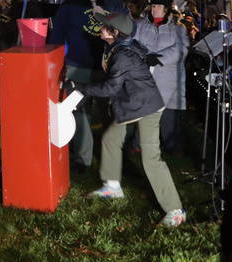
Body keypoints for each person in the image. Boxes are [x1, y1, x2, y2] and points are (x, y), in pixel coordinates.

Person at [70, 12, 186, 227]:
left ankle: (175, 210)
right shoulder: (117, 48)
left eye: (104, 26)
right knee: (110, 139)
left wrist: (81, 87)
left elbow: (110, 87)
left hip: (147, 107)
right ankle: (113, 187)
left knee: (151, 158)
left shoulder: (123, 55)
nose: (100, 28)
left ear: (114, 32)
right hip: (132, 105)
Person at [47, 0, 127, 170]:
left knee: (107, 112)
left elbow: (127, 31)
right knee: (77, 111)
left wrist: (107, 16)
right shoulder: (72, 3)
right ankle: (83, 158)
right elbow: (58, 33)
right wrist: (56, 61)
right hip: (77, 66)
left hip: (106, 66)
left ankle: (111, 155)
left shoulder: (115, 3)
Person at [131, 0, 190, 153]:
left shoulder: (178, 28)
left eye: (157, 6)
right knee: (144, 110)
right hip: (145, 75)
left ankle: (170, 145)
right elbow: (133, 44)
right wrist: (144, 57)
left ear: (166, 9)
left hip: (168, 79)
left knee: (168, 115)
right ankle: (139, 143)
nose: (154, 8)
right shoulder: (140, 25)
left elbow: (181, 50)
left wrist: (159, 58)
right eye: (152, 5)